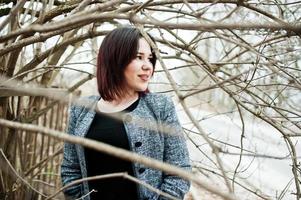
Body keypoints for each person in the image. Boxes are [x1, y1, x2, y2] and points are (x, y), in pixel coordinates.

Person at [60, 27, 191, 200]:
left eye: (150, 59)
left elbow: (179, 172)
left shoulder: (160, 107)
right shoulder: (81, 109)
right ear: (115, 60)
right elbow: (70, 169)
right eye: (139, 57)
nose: (148, 66)